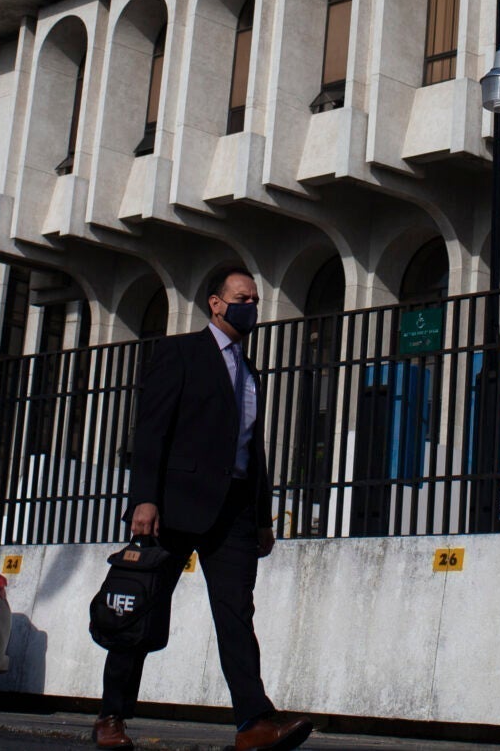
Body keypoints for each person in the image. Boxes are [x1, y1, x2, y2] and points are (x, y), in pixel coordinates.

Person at [96, 268, 315, 751]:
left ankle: (254, 722)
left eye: (255, 299)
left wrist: (261, 516)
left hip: (234, 512)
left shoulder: (251, 371)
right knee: (143, 608)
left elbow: (252, 450)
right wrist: (144, 499)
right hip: (174, 507)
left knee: (237, 613)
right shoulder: (180, 354)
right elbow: (151, 430)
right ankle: (112, 716)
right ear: (216, 304)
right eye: (242, 298)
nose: (251, 306)